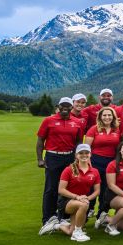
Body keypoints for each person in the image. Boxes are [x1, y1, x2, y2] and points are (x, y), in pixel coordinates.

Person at [36, 97, 84, 234]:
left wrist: (78, 159)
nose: (65, 108)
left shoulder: (77, 122)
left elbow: (79, 142)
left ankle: (63, 217)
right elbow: (40, 140)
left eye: (68, 106)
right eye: (62, 105)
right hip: (53, 156)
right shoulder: (49, 120)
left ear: (71, 107)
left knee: (69, 187)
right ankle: (48, 219)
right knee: (51, 188)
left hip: (69, 157)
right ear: (58, 106)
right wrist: (40, 159)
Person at [40, 144, 100, 242]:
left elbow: (97, 190)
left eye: (86, 153)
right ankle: (77, 232)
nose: (84, 155)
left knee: (70, 231)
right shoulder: (69, 169)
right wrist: (77, 197)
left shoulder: (95, 171)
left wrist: (87, 198)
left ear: (90, 154)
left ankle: (56, 226)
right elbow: (61, 190)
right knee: (84, 205)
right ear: (76, 155)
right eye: (81, 153)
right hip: (66, 202)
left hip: (82, 201)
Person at [84, 106, 121, 226]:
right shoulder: (93, 129)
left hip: (110, 163)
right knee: (92, 189)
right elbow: (86, 149)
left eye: (109, 115)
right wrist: (88, 164)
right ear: (100, 117)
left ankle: (101, 214)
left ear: (113, 117)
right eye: (104, 115)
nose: (107, 117)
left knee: (106, 190)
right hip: (95, 162)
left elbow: (118, 148)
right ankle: (83, 217)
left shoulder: (117, 130)